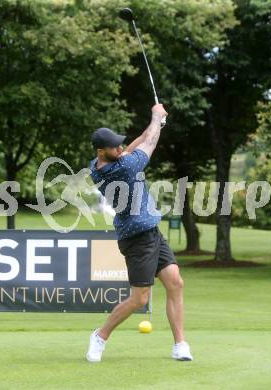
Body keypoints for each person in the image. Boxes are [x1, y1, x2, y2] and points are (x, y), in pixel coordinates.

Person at [87, 104, 193, 362]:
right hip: (136, 238)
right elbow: (149, 145)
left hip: (151, 231)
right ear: (103, 152)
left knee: (175, 282)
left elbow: (134, 146)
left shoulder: (102, 161)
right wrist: (156, 118)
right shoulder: (121, 170)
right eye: (115, 147)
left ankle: (180, 344)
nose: (120, 149)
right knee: (139, 298)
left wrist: (156, 124)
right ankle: (99, 336)